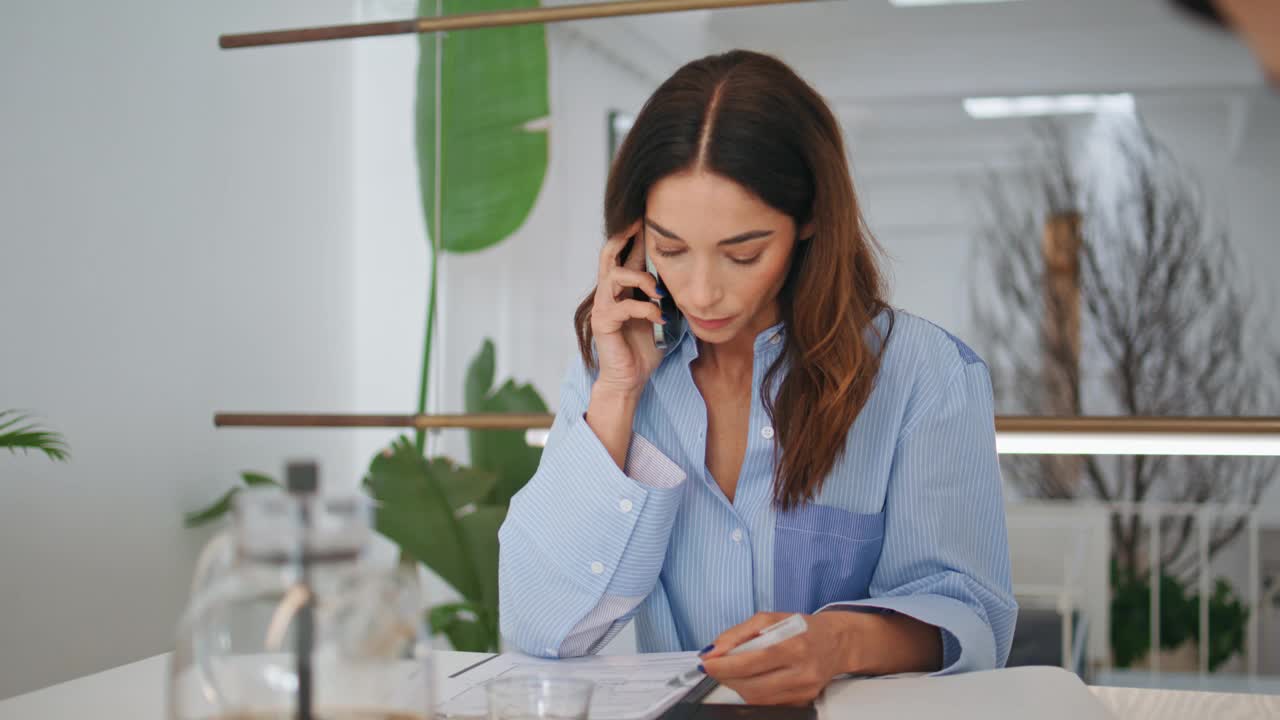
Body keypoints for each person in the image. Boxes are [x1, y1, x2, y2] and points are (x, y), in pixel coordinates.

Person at [498, 50, 1016, 705]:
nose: (702, 291)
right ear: (631, 238)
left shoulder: (926, 375)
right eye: (671, 248)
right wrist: (618, 392)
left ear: (810, 223)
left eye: (744, 253)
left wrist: (836, 643)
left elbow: (971, 619)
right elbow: (540, 628)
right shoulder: (615, 372)